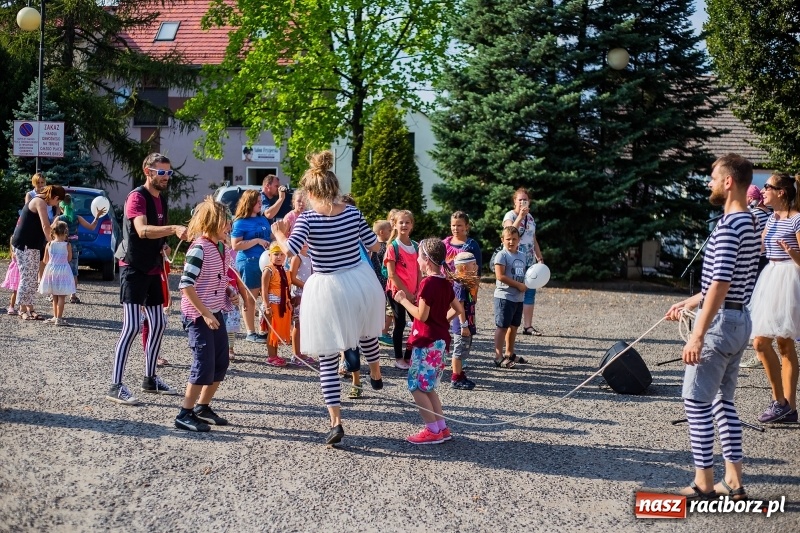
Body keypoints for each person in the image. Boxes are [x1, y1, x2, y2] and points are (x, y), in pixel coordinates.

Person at [270, 150, 384, 445]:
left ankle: (335, 422)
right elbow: (373, 245)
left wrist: (279, 233)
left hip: (327, 287)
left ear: (309, 192)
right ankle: (375, 371)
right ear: (334, 188)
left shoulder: (307, 219)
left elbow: (290, 250)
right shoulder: (353, 212)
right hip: (358, 279)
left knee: (327, 357)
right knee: (365, 329)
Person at [664, 153, 759, 501]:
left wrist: (698, 334)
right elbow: (726, 281)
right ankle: (734, 480)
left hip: (720, 325)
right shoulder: (747, 222)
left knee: (695, 402)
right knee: (722, 401)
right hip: (738, 321)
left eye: (714, 177)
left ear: (729, 182)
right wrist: (690, 301)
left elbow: (720, 284)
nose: (710, 183)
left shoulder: (731, 226)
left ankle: (703, 483)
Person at [106, 153, 188, 406]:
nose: (165, 177)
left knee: (159, 323)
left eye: (169, 173)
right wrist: (173, 229)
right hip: (133, 268)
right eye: (161, 172)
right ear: (147, 171)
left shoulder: (160, 199)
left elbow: (155, 233)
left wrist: (164, 246)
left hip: (153, 269)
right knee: (131, 327)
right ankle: (115, 385)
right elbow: (142, 230)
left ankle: (150, 379)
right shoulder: (137, 197)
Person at [393, 238, 465, 444]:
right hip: (440, 341)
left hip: (426, 342)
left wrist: (403, 300)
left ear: (426, 259)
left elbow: (421, 316)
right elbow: (458, 310)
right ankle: (441, 428)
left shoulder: (427, 283)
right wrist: (442, 320)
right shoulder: (445, 282)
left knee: (416, 386)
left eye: (419, 256)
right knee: (428, 386)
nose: (417, 260)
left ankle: (432, 431)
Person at [174, 197, 233, 432]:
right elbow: (186, 285)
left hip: (215, 312)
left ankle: (202, 407)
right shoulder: (199, 248)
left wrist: (229, 291)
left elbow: (221, 278)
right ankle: (184, 413)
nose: (229, 226)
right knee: (203, 363)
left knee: (221, 362)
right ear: (212, 223)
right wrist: (206, 313)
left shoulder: (222, 248)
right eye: (226, 222)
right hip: (199, 317)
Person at [748, 172, 800, 423]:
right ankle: (782, 403)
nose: (762, 190)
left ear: (781, 192)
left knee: (783, 345)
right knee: (763, 343)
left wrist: (791, 252)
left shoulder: (797, 221)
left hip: (789, 279)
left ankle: (786, 404)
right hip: (771, 277)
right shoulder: (771, 218)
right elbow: (758, 247)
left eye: (767, 186)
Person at [12, 184, 66, 321]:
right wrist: (52, 243)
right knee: (27, 277)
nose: (56, 204)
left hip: (33, 245)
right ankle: (22, 309)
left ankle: (30, 308)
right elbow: (45, 225)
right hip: (24, 244)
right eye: (58, 201)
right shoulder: (39, 202)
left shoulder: (41, 202)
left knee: (32, 278)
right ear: (55, 197)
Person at [230, 189, 270, 343]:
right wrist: (257, 241)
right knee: (250, 298)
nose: (261, 204)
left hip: (265, 263)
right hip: (248, 262)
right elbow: (235, 245)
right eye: (258, 202)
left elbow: (269, 236)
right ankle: (250, 332)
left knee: (266, 296)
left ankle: (263, 330)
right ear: (250, 203)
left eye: (261, 201)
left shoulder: (263, 219)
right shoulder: (240, 222)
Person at [740, 184, 773, 370]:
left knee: (756, 306)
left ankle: (760, 352)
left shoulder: (757, 215)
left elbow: (753, 240)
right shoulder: (768, 215)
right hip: (767, 263)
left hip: (759, 264)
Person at [503, 188, 544, 336]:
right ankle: (508, 324)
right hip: (514, 260)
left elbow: (533, 239)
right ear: (514, 201)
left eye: (524, 200)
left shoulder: (531, 218)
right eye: (519, 200)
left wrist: (539, 257)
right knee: (513, 291)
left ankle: (528, 326)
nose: (522, 202)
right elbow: (509, 232)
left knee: (530, 292)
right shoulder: (510, 215)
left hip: (530, 260)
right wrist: (520, 216)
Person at [55, 193, 108, 304]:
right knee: (74, 272)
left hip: (61, 247)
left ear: (61, 207)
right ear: (72, 206)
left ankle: (56, 295)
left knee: (58, 270)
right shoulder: (77, 218)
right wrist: (97, 216)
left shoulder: (59, 219)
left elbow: (50, 231)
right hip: (74, 247)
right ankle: (73, 296)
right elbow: (92, 227)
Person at [384, 210, 419, 369]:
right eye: (401, 222)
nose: (404, 225)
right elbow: (392, 274)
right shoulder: (393, 247)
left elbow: (418, 270)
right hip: (397, 292)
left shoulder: (416, 246)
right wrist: (406, 293)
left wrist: (418, 290)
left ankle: (409, 356)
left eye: (407, 222)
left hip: (413, 292)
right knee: (400, 323)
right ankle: (399, 358)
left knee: (418, 323)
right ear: (395, 225)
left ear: (412, 225)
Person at [493, 226, 528, 368]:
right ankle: (498, 357)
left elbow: (524, 274)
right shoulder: (502, 255)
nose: (511, 242)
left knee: (514, 327)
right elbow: (500, 276)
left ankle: (509, 353)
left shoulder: (522, 255)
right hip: (504, 296)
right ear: (502, 240)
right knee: (502, 327)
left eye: (514, 239)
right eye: (508, 239)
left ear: (519, 240)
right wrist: (518, 285)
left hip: (518, 298)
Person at [449, 252, 480, 389]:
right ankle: (455, 378)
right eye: (473, 264)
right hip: (462, 324)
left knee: (464, 350)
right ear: (464, 268)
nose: (476, 266)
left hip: (468, 323)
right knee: (459, 351)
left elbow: (473, 300)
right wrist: (464, 325)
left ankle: (460, 374)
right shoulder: (459, 285)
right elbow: (459, 306)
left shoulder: (467, 283)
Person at [260, 242, 293, 367]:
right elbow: (264, 289)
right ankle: (271, 356)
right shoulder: (268, 270)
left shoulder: (284, 269)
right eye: (276, 254)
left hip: (282, 305)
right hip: (272, 304)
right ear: (270, 255)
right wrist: (267, 306)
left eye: (281, 254)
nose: (279, 257)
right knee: (272, 331)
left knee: (277, 331)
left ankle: (275, 355)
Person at [38, 221, 76, 325]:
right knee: (62, 296)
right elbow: (69, 258)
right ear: (65, 232)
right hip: (63, 271)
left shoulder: (49, 244)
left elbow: (45, 260)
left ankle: (55, 316)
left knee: (54, 295)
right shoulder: (67, 245)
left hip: (51, 270)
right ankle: (59, 318)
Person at [288, 242, 314, 367]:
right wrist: (307, 286)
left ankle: (302, 353)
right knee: (298, 324)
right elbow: (292, 278)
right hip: (299, 293)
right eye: (301, 241)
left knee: (305, 324)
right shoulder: (296, 257)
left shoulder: (309, 257)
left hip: (308, 293)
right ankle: (296, 354)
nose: (304, 243)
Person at [370, 219, 393, 345]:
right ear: (381, 232)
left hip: (377, 280)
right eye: (389, 230)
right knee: (382, 307)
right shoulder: (383, 247)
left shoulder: (373, 247)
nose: (391, 232)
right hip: (381, 281)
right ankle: (380, 332)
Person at [2, 238, 20, 315]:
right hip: (18, 272)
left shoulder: (13, 252)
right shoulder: (17, 252)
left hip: (14, 272)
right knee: (18, 291)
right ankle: (14, 307)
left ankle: (11, 307)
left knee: (15, 291)